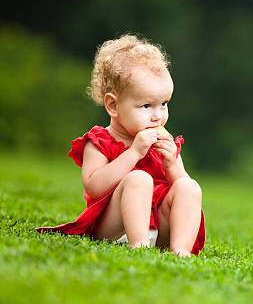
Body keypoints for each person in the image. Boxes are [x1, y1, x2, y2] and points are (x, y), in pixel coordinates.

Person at [36, 34, 206, 257]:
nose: (158, 116)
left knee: (190, 186)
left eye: (163, 104)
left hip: (160, 226)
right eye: (146, 106)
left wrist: (172, 164)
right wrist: (134, 153)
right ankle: (138, 245)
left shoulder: (163, 139)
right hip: (113, 228)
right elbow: (93, 187)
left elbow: (181, 188)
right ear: (113, 105)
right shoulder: (100, 141)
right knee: (139, 179)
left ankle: (180, 250)